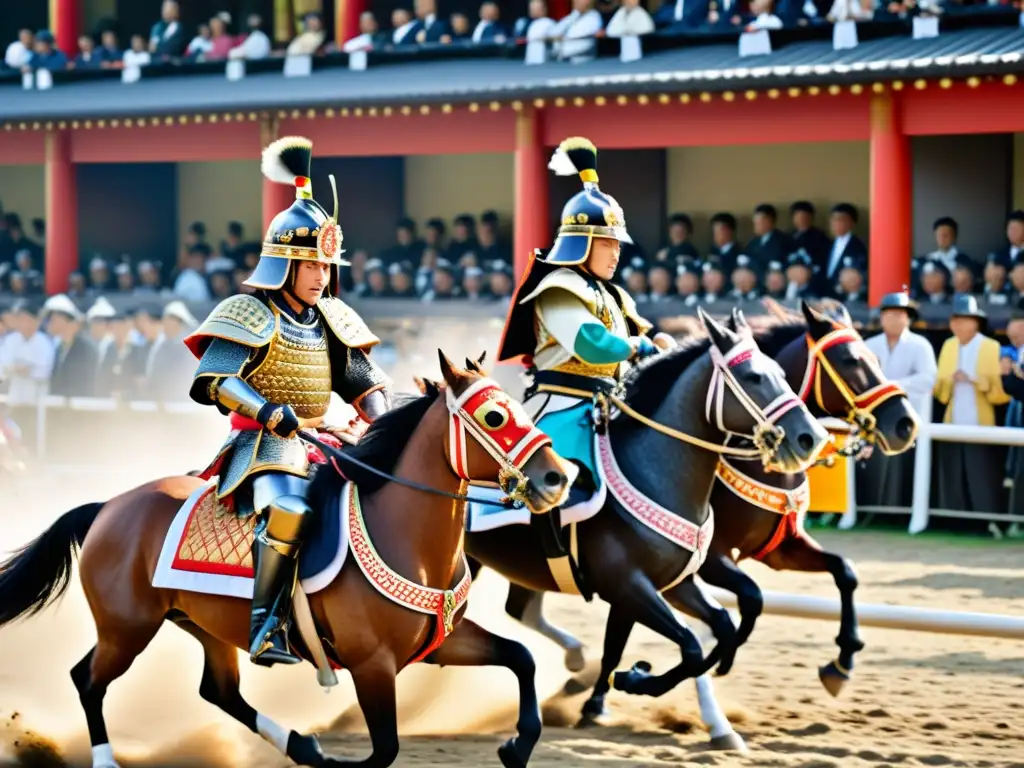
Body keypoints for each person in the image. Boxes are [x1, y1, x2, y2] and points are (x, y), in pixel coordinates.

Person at [184, 136, 392, 667]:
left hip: (327, 436)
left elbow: (364, 382)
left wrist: (384, 424)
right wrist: (267, 410)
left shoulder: (331, 319)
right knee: (289, 508)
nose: (323, 277)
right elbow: (216, 378)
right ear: (285, 265)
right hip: (264, 444)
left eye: (327, 267)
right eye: (312, 267)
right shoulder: (250, 313)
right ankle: (266, 626)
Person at [496, 136, 672, 598]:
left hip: (607, 405)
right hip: (562, 407)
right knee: (567, 483)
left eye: (618, 243)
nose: (617, 252)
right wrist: (638, 346)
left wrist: (663, 341)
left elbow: (643, 332)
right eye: (609, 242)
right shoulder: (558, 286)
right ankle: (546, 551)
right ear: (584, 242)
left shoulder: (613, 293)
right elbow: (591, 344)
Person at [932, 294, 1010, 522]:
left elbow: (1000, 392)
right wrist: (948, 381)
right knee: (952, 472)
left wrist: (975, 380)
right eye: (955, 320)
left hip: (981, 420)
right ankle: (954, 518)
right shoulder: (948, 345)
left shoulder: (991, 346)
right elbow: (939, 388)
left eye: (965, 319)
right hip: (952, 419)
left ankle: (986, 519)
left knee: (981, 474)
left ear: (976, 322)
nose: (958, 325)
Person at [858, 291, 937, 509]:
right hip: (875, 420)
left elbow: (929, 378)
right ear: (881, 318)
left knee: (907, 467)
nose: (893, 318)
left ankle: (904, 511)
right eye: (888, 314)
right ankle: (872, 508)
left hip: (909, 419)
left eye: (899, 314)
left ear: (908, 318)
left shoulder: (921, 344)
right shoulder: (869, 345)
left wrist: (893, 387)